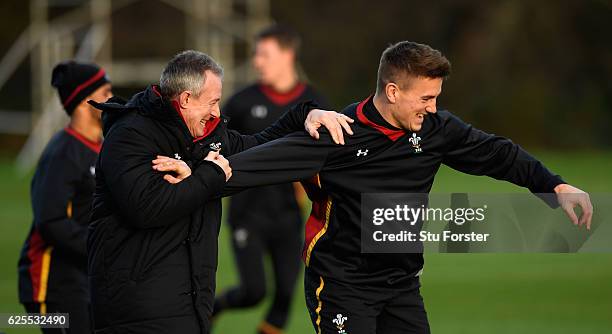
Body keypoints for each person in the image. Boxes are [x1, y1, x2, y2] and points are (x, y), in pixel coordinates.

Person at [157, 41, 593, 333]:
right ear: (392, 90)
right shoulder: (338, 134)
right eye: (425, 98)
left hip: (402, 286)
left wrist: (554, 187)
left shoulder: (437, 130)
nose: (433, 108)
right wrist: (198, 174)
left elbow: (497, 153)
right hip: (342, 285)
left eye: (437, 97)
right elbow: (260, 163)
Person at [86, 50, 352, 334]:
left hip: (190, 305)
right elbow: (147, 209)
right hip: (135, 310)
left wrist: (306, 113)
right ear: (186, 99)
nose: (217, 112)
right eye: (212, 102)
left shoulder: (208, 135)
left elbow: (260, 144)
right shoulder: (130, 135)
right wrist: (209, 175)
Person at [213, 24, 329, 334]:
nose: (256, 61)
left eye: (264, 54)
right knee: (254, 291)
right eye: (255, 54)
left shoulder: (315, 102)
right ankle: (213, 309)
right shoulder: (241, 102)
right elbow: (214, 142)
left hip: (289, 214)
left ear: (288, 54)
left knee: (286, 295)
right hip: (247, 212)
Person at [18, 61, 112, 333]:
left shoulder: (101, 148)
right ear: (85, 100)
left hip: (86, 278)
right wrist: (99, 249)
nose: (110, 99)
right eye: (105, 92)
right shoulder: (62, 153)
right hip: (52, 283)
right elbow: (50, 221)